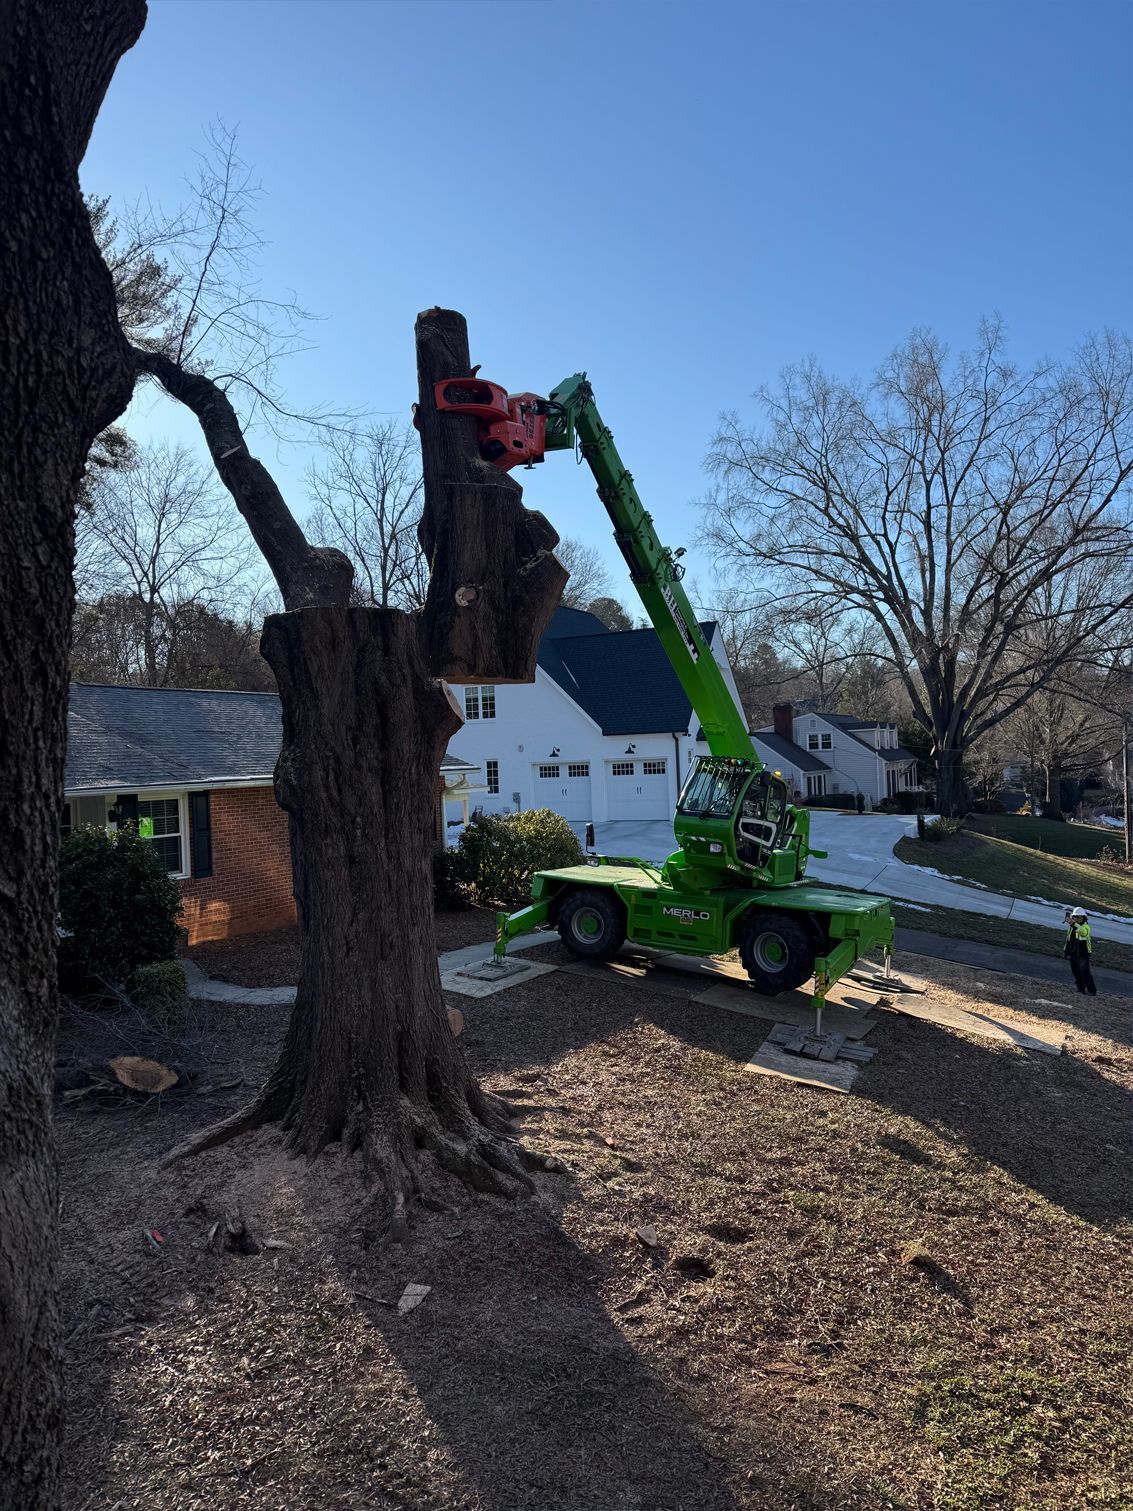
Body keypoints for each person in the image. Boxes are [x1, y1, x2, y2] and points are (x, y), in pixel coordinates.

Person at [1063, 906, 1097, 995]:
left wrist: (1073, 924)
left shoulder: (1086, 927)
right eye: (1077, 917)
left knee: (1085, 972)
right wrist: (1066, 951)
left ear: (1084, 917)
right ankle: (1081, 988)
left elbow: (1083, 932)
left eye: (1081, 916)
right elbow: (1069, 939)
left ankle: (1092, 990)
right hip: (1074, 953)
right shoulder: (1072, 927)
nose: (1079, 918)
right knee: (1076, 972)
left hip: (1083, 953)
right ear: (1073, 917)